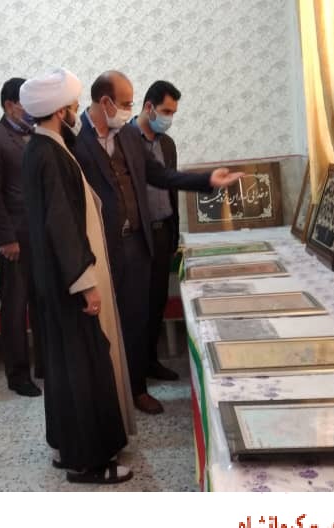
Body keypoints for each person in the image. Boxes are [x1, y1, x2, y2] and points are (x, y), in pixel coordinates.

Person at [73, 71, 241, 414]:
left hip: (137, 243)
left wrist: (206, 180)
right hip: (99, 249)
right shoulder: (74, 140)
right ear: (105, 102)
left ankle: (137, 388)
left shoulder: (127, 136)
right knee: (103, 325)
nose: (129, 109)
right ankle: (107, 393)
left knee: (137, 320)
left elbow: (160, 175)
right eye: (125, 103)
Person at [20, 68, 134, 484]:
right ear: (59, 111)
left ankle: (67, 447)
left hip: (55, 284)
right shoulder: (49, 153)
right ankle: (89, 462)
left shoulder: (43, 148)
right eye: (71, 106)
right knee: (85, 369)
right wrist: (85, 283)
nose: (75, 112)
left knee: (65, 370)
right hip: (70, 285)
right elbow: (62, 224)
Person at [0, 77, 44, 397]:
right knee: (15, 308)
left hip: (42, 238)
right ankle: (17, 375)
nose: (31, 110)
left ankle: (45, 365)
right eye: (26, 103)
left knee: (43, 304)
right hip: (15, 239)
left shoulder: (38, 135)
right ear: (9, 105)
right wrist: (6, 238)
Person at [130, 80, 182, 382]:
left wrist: (174, 234)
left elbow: (172, 188)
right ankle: (134, 373)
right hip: (137, 237)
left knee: (157, 301)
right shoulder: (123, 141)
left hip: (163, 232)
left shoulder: (167, 144)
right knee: (136, 306)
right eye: (166, 111)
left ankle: (151, 361)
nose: (169, 118)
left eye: (173, 113)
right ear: (149, 107)